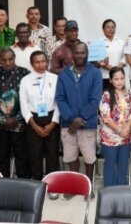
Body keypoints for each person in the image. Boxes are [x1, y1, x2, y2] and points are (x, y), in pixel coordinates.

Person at [56, 42, 102, 184]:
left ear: (87, 54)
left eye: (83, 53)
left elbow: (95, 100)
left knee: (89, 158)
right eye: (77, 52)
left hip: (87, 124)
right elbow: (60, 98)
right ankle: (74, 185)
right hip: (68, 125)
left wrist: (79, 119)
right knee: (70, 157)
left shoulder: (95, 73)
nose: (80, 55)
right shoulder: (64, 74)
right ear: (72, 54)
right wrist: (71, 119)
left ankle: (88, 185)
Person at [0, 48, 30, 178]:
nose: (7, 62)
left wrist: (17, 119)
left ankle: (24, 183)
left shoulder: (25, 74)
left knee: (22, 156)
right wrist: (2, 120)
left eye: (10, 59)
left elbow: (28, 100)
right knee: (0, 157)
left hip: (20, 123)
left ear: (14, 58)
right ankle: (1, 184)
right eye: (4, 60)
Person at [20, 51, 60, 181]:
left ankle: (52, 183)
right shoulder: (25, 80)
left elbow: (59, 102)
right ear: (32, 64)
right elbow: (24, 105)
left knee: (52, 154)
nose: (40, 64)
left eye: (43, 61)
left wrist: (53, 122)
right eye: (37, 62)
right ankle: (37, 183)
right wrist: (34, 126)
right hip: (33, 120)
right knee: (34, 154)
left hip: (51, 118)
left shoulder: (55, 78)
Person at [99, 67, 131, 186]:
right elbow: (106, 117)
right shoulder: (106, 95)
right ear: (110, 80)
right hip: (110, 137)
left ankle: (121, 190)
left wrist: (127, 129)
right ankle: (109, 192)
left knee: (123, 164)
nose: (119, 81)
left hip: (126, 135)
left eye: (121, 78)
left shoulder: (130, 93)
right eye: (116, 79)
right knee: (110, 164)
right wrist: (119, 130)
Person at [96, 19, 126, 91]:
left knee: (119, 97)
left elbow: (125, 57)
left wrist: (118, 69)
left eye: (113, 27)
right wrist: (113, 69)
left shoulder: (121, 42)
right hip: (104, 76)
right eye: (108, 27)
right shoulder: (99, 42)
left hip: (119, 77)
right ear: (103, 29)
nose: (111, 29)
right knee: (106, 97)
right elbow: (99, 60)